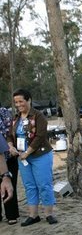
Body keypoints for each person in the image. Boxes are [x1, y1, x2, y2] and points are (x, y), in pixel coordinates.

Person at [7, 89, 57, 226]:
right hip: (23, 158)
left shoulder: (38, 116)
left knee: (44, 184)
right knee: (29, 185)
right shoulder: (16, 118)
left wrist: (27, 152)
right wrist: (11, 146)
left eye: (21, 101)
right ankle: (33, 215)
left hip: (39, 155)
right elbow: (10, 135)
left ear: (28, 100)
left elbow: (40, 136)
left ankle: (49, 214)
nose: (18, 104)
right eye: (16, 102)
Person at [0, 105, 20, 224]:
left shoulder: (3, 112)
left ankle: (11, 215)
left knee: (9, 183)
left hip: (8, 154)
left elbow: (9, 132)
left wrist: (10, 145)